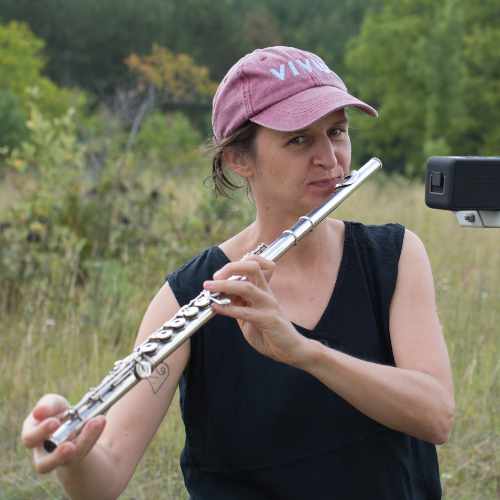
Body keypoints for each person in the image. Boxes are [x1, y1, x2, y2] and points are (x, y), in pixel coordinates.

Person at [21, 46, 454, 499]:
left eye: (337, 132)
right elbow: (105, 478)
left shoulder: (393, 256)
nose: (329, 158)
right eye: (299, 140)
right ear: (239, 159)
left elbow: (436, 415)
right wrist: (73, 455)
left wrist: (304, 352)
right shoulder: (189, 295)